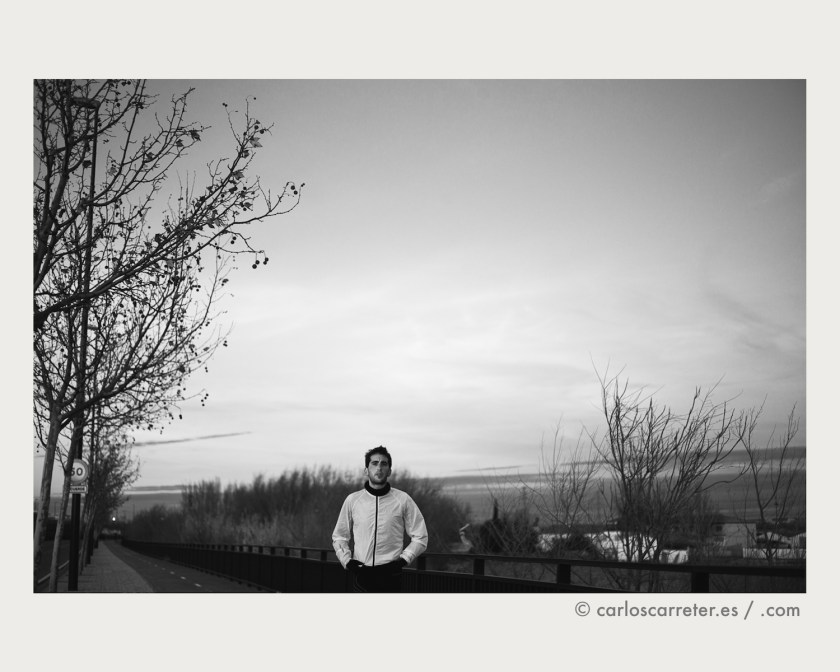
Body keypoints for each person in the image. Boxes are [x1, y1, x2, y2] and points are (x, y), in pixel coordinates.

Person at [332, 446, 428, 592]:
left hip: (392, 577)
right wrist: (347, 561)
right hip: (362, 576)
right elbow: (339, 536)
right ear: (366, 470)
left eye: (384, 464)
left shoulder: (403, 500)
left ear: (389, 471)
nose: (379, 468)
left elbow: (421, 537)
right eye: (374, 463)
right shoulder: (353, 500)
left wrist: (402, 561)